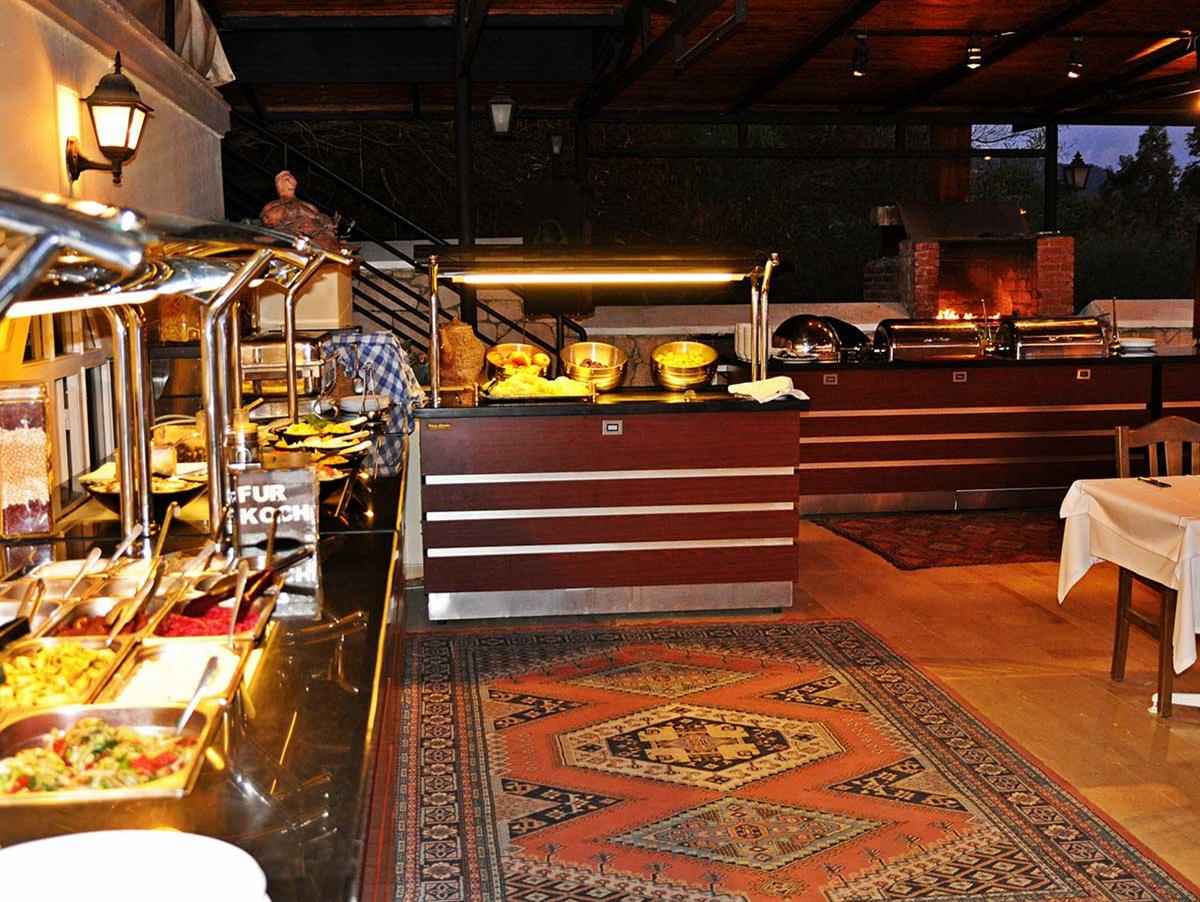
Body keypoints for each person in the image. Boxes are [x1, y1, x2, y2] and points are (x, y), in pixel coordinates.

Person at [259, 170, 341, 251]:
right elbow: (270, 218)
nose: (289, 180)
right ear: (278, 185)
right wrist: (286, 198)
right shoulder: (272, 205)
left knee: (330, 245)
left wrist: (328, 221)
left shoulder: (307, 204)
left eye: (290, 177)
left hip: (317, 236)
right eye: (285, 179)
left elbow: (320, 217)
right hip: (293, 236)